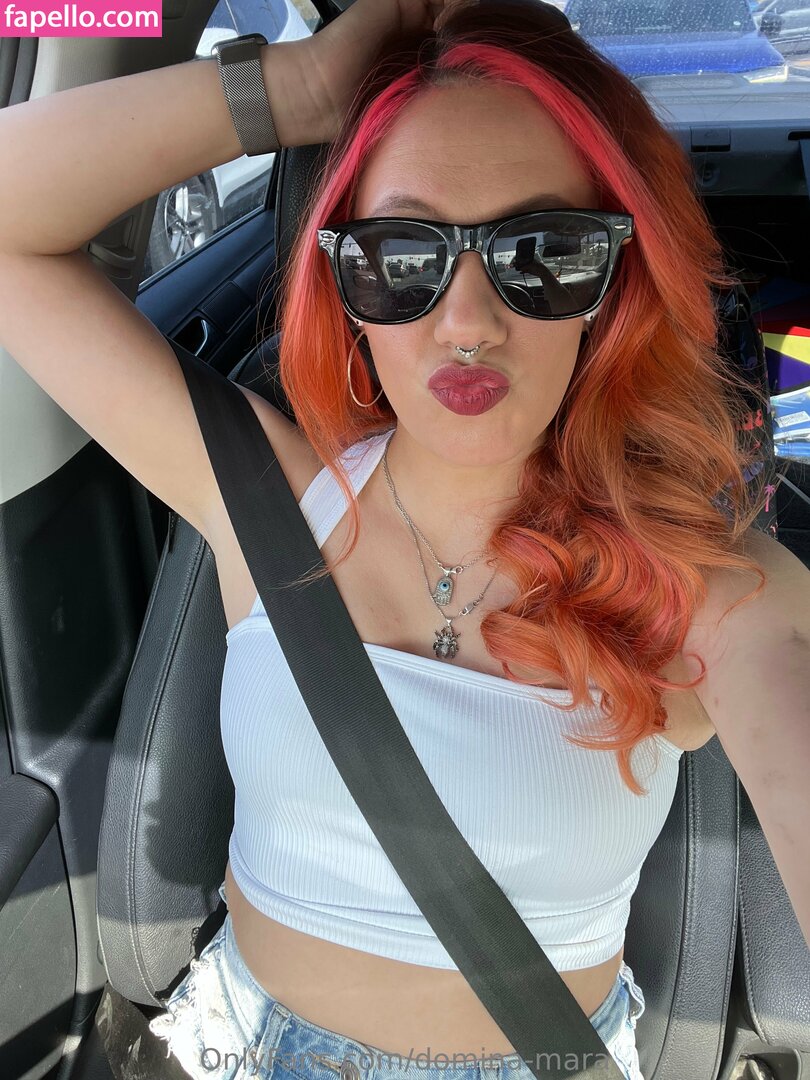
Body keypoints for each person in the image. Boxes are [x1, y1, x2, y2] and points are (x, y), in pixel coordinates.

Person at [0, 1, 776, 1079]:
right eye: (400, 255)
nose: (468, 322)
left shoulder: (695, 584)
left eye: (544, 252)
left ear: (611, 282)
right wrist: (299, 88)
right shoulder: (265, 494)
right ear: (344, 287)